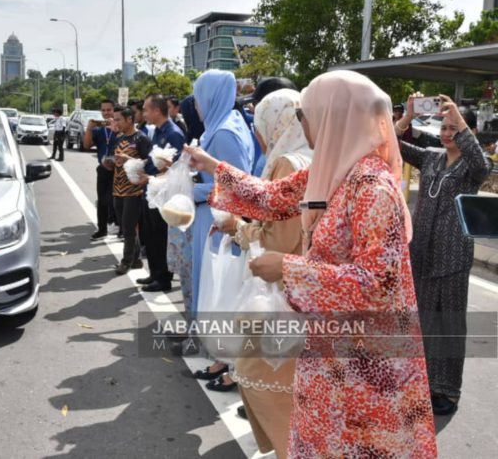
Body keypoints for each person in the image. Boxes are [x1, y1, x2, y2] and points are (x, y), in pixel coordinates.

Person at [186, 70, 438, 458]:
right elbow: (272, 198)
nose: (302, 124)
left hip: (365, 364)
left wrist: (288, 269)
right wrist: (212, 166)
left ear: (335, 116)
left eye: (306, 114)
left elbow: (377, 284)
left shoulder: (372, 187)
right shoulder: (333, 170)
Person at [213, 88, 311, 457]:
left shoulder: (288, 163)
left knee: (260, 376)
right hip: (308, 288)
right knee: (291, 381)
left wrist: (238, 227)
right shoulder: (317, 156)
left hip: (282, 291)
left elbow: (279, 240)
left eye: (260, 125)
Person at [395, 93, 493, 416]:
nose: (447, 133)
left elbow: (481, 164)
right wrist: (408, 116)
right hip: (422, 253)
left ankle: (447, 390)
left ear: (468, 131)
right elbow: (389, 144)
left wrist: (460, 120)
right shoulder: (431, 157)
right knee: (423, 321)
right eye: (444, 127)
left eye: (454, 128)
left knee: (449, 324)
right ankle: (422, 382)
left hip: (453, 257)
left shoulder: (474, 165)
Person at [189, 70, 255, 387]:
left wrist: (193, 190)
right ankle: (222, 360)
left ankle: (228, 362)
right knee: (221, 289)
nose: (196, 106)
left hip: (220, 219)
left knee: (221, 289)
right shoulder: (226, 124)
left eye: (199, 98)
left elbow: (238, 184)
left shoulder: (224, 132)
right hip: (218, 216)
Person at [137, 94, 185, 292]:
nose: (144, 114)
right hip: (151, 192)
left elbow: (177, 168)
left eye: (146, 109)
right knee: (150, 236)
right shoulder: (156, 131)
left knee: (160, 237)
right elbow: (154, 160)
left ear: (157, 110)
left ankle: (163, 278)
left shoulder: (173, 133)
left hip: (164, 194)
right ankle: (154, 273)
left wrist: (151, 177)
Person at [112, 105, 152, 275]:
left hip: (134, 190)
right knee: (124, 227)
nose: (116, 123)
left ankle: (126, 261)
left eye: (118, 119)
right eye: (115, 120)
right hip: (118, 188)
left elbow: (150, 163)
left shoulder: (141, 139)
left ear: (129, 119)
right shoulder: (119, 138)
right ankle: (136, 259)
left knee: (128, 227)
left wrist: (128, 158)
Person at [84, 99, 119, 240]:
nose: (106, 113)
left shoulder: (120, 127)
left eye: (109, 110)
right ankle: (102, 229)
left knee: (116, 200)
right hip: (103, 168)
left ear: (114, 110)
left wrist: (116, 129)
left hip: (119, 169)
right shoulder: (99, 130)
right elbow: (87, 145)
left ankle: (120, 228)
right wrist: (89, 128)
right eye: (103, 110)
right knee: (102, 200)